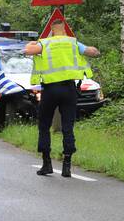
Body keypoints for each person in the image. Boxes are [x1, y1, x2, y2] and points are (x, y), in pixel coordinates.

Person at [23, 23, 100, 177]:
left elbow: (27, 51)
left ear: (51, 32)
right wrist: (95, 50)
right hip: (69, 90)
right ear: (65, 31)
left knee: (44, 125)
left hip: (50, 90)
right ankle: (67, 166)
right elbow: (93, 52)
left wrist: (32, 43)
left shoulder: (45, 43)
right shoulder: (72, 43)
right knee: (68, 127)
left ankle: (47, 164)